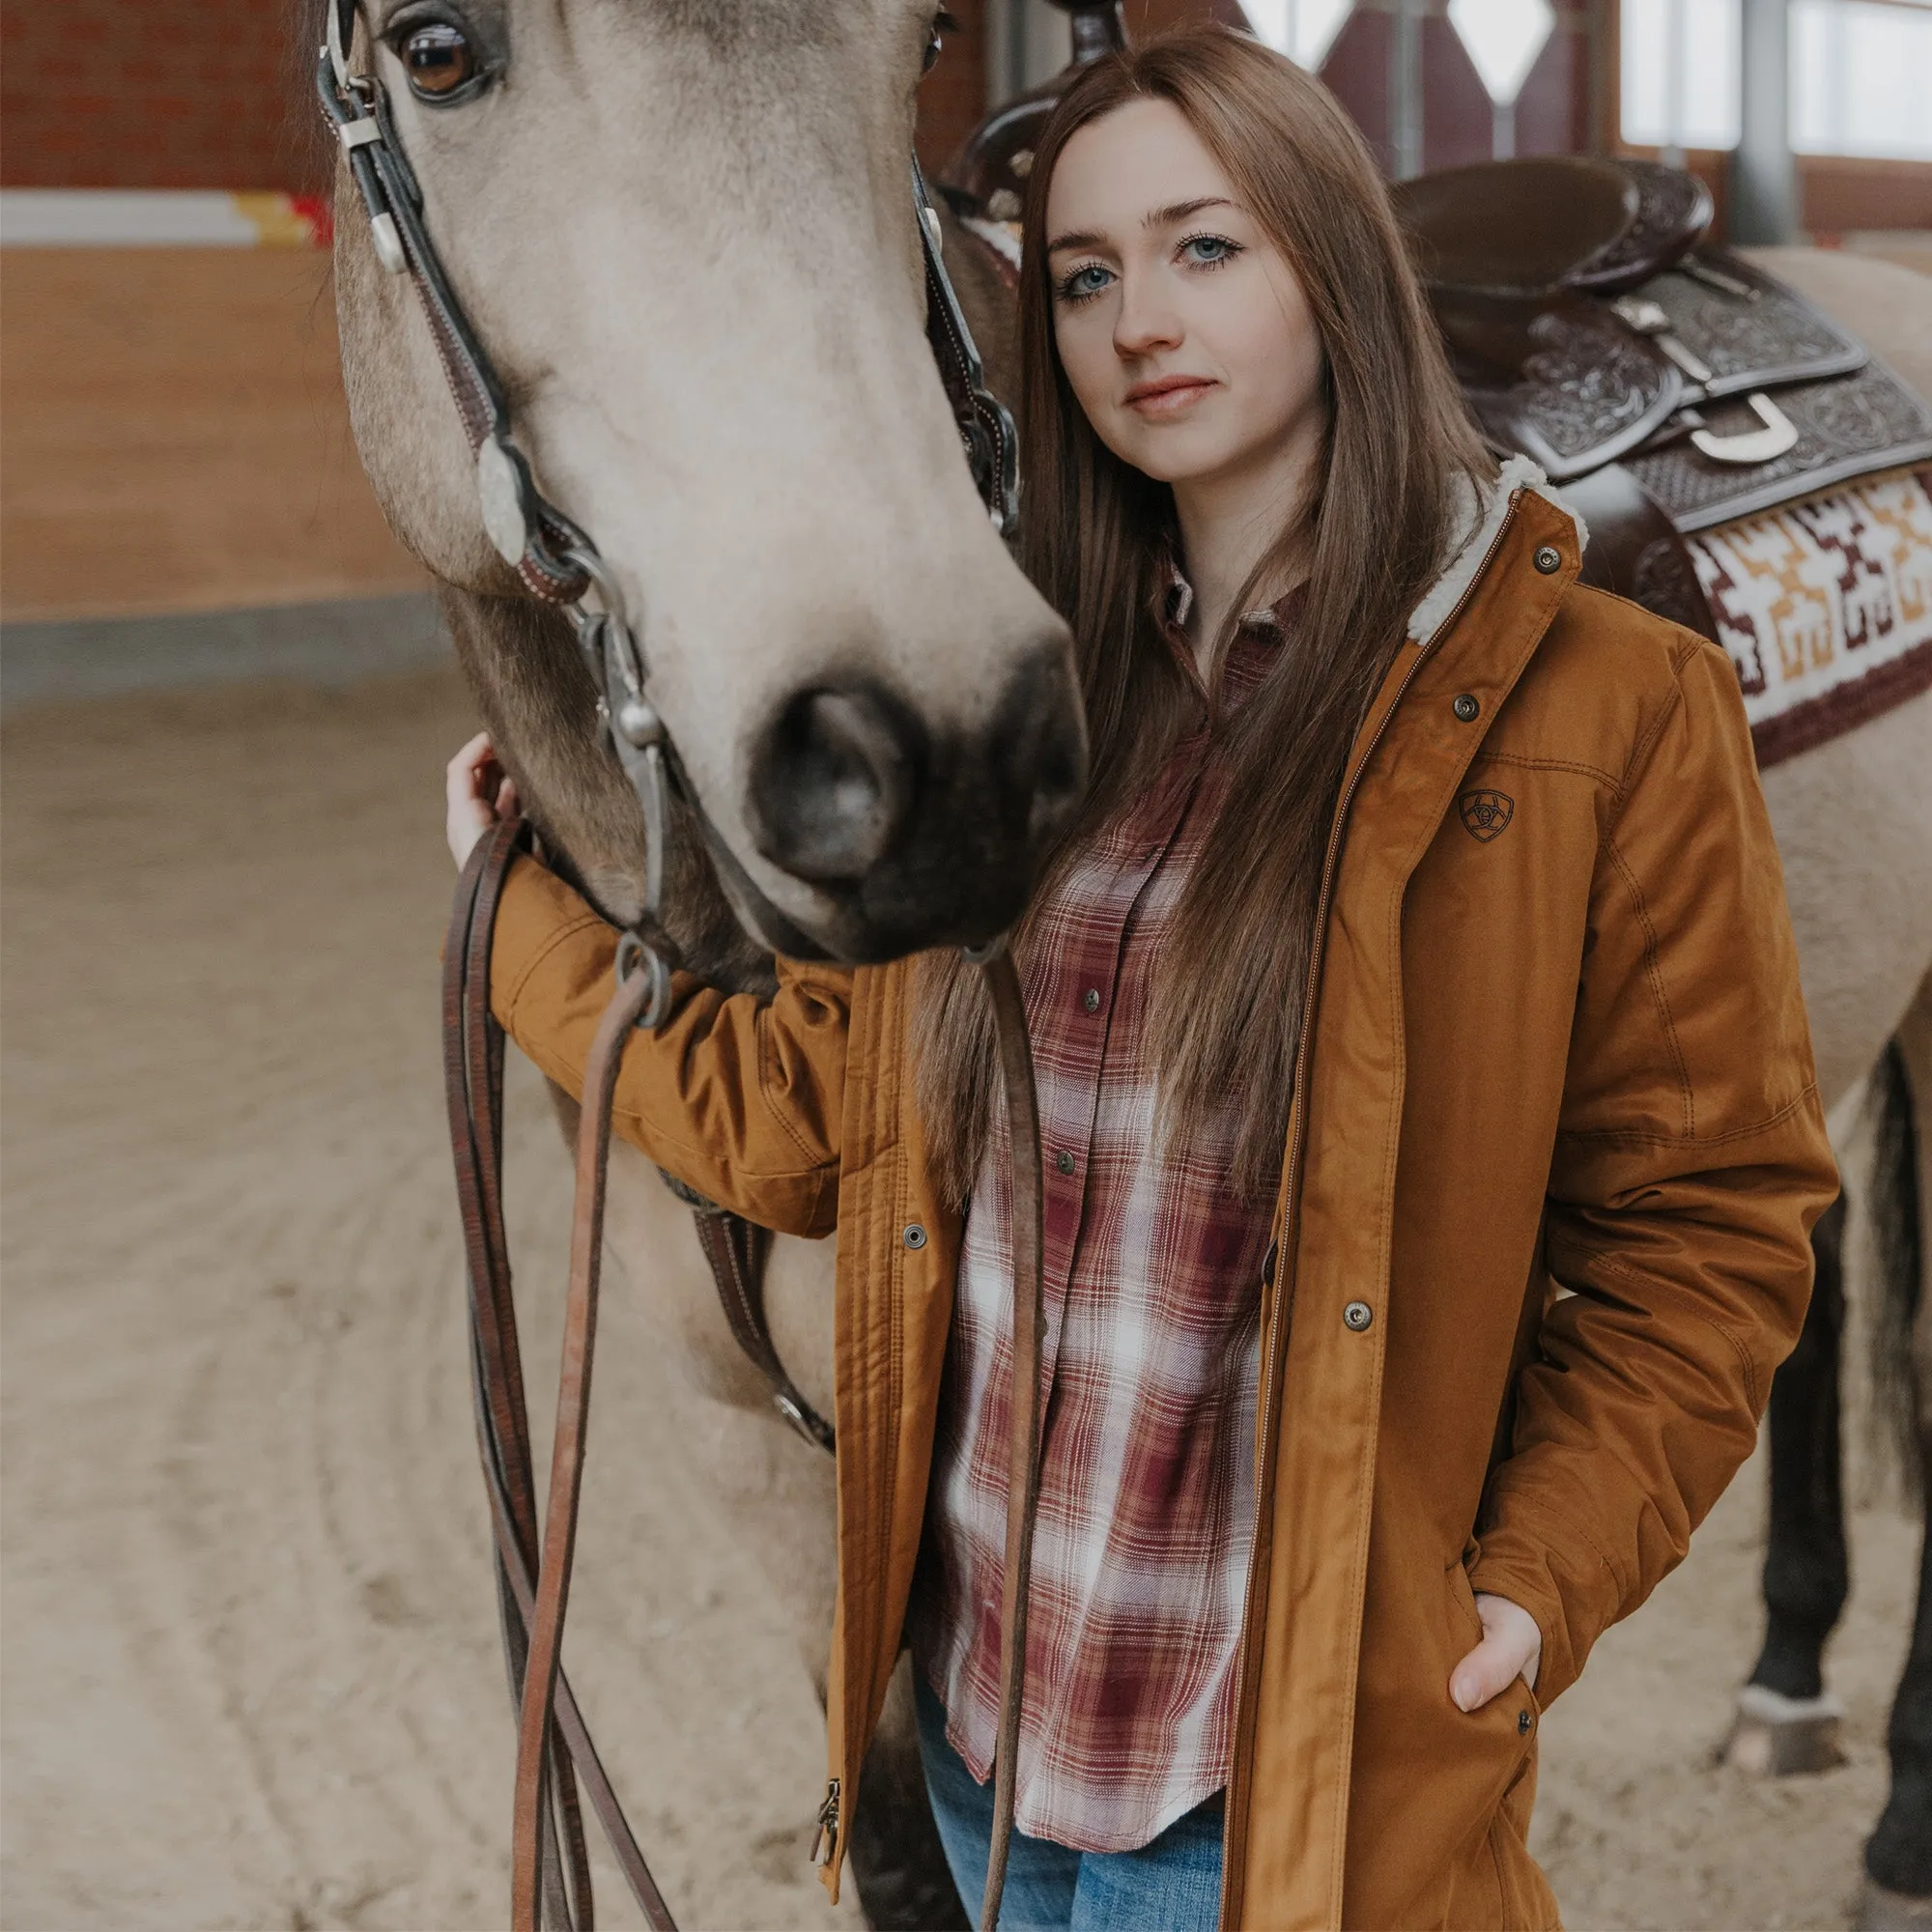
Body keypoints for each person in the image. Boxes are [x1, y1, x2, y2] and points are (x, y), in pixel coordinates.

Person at [444, 26, 1835, 1931]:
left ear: (1331, 268)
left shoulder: (1613, 712)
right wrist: (509, 908)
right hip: (980, 1759)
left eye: (1204, 249)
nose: (1131, 323)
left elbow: (1713, 1224)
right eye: (1084, 275)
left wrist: (1526, 1591)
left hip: (1276, 1784)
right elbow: (788, 1128)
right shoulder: (1021, 726)